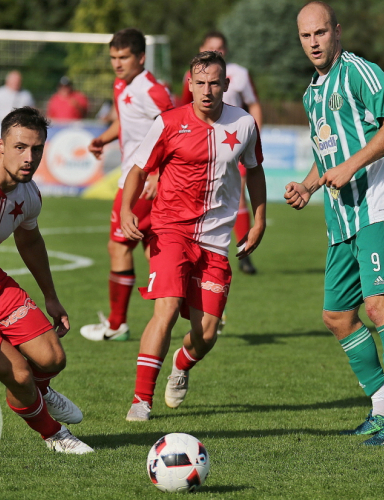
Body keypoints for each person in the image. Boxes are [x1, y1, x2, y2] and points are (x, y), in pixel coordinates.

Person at [285, 1, 384, 446]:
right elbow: (328, 156)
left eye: (321, 33)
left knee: (380, 306)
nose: (314, 43)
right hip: (341, 218)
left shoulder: (361, 72)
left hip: (380, 206)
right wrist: (308, 186)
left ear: (337, 32)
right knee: (337, 316)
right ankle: (382, 406)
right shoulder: (312, 93)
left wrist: (352, 166)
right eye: (306, 36)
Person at [121, 51, 266, 421]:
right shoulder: (168, 123)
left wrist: (260, 220)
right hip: (170, 230)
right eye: (199, 83)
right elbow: (139, 170)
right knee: (166, 308)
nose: (206, 90)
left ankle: (181, 364)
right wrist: (126, 209)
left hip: (215, 241)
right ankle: (141, 400)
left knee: (206, 334)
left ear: (226, 85)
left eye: (214, 83)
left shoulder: (245, 124)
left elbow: (255, 171)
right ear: (189, 84)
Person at [0, 107, 93, 455]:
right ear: (0, 144)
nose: (29, 158)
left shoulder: (29, 196)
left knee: (53, 358)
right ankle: (54, 434)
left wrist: (51, 297)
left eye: (37, 149)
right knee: (19, 374)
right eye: (20, 147)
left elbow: (30, 241)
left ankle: (40, 394)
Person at [80, 28, 173, 342]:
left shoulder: (154, 91)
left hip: (140, 181)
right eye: (113, 58)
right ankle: (199, 307)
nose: (117, 64)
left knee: (119, 245)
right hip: (133, 176)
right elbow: (124, 120)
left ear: (141, 57)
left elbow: (175, 131)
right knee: (152, 249)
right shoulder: (122, 84)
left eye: (124, 57)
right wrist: (103, 139)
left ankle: (117, 324)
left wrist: (158, 174)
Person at [181, 31, 263, 275]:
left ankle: (244, 252)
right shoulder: (193, 75)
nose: (218, 51)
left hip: (233, 142)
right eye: (212, 47)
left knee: (238, 195)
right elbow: (183, 106)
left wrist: (254, 136)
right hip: (201, 144)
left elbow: (254, 104)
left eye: (221, 48)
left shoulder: (239, 74)